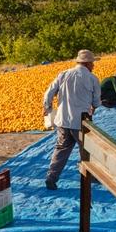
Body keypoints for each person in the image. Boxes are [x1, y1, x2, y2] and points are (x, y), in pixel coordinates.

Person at [42, 49, 100, 190]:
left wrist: (47, 106)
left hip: (63, 121)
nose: (93, 66)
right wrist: (93, 106)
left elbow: (49, 93)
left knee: (61, 149)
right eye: (92, 63)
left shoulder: (64, 74)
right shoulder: (92, 78)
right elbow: (97, 101)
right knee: (86, 148)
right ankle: (89, 175)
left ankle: (51, 177)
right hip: (81, 121)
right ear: (87, 64)